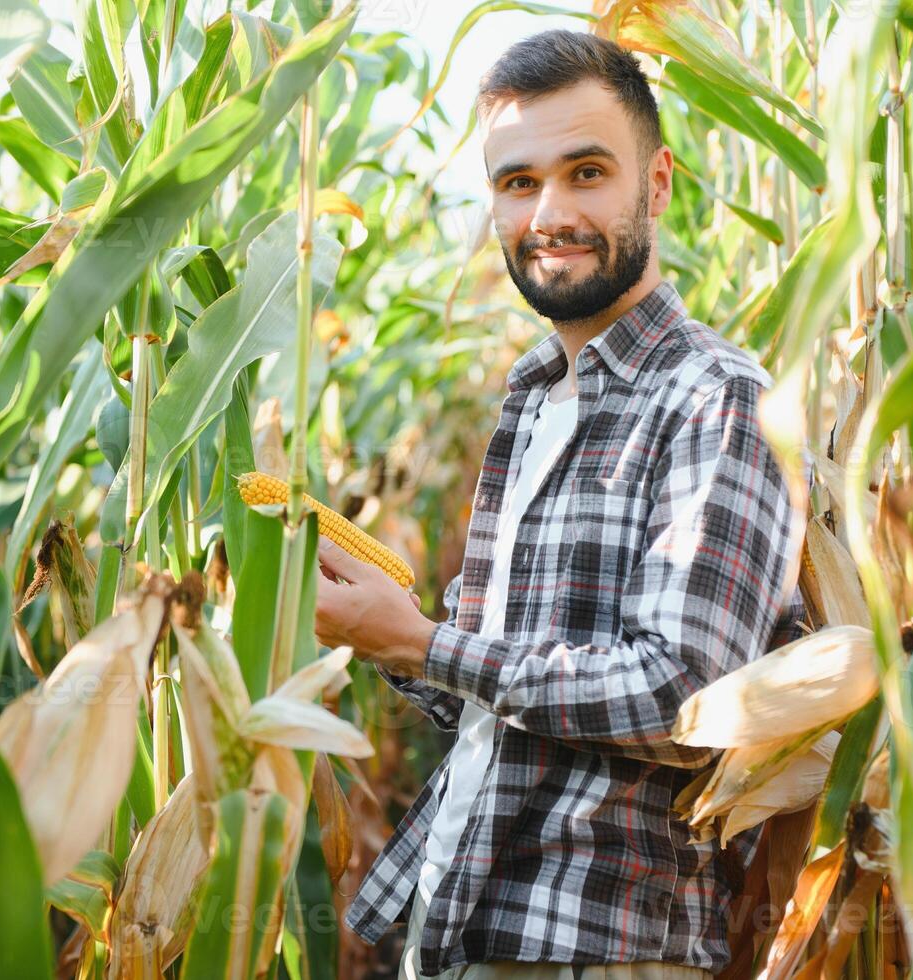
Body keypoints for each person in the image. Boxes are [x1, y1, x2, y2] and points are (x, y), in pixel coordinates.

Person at [313, 28, 807, 980]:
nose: (550, 211)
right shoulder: (535, 397)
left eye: (587, 172)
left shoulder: (717, 398)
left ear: (655, 184)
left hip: (602, 946)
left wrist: (420, 643)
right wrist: (388, 627)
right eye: (516, 181)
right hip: (469, 921)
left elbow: (684, 698)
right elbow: (507, 698)